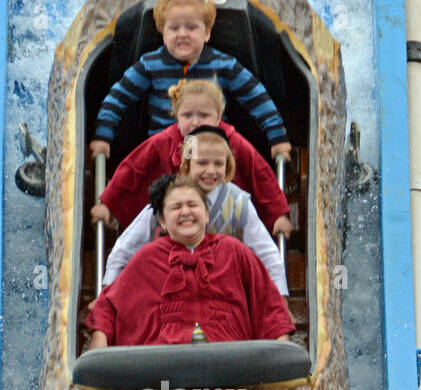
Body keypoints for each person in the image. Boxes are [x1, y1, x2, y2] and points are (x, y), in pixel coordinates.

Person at [89, 0, 292, 164]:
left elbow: (257, 98)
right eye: (174, 28)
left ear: (207, 32)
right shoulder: (150, 65)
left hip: (211, 156)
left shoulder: (223, 65)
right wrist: (103, 136)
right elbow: (117, 98)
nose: (182, 34)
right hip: (164, 158)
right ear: (163, 31)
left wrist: (277, 137)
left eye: (191, 27)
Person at [87, 176, 294, 349]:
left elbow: (270, 306)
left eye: (192, 205)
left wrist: (282, 350)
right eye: (176, 207)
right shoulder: (146, 258)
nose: (185, 211)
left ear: (206, 215)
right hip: (165, 364)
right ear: (162, 221)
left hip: (229, 362)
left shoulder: (234, 251)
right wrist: (99, 345)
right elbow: (108, 307)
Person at [91, 77, 292, 237]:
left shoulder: (232, 140)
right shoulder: (166, 140)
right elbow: (133, 169)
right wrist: (108, 205)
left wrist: (278, 214)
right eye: (187, 115)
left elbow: (261, 174)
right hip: (176, 226)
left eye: (203, 115)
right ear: (176, 115)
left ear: (218, 116)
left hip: (222, 227)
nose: (195, 122)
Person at [101, 125, 288, 294]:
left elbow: (266, 251)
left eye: (218, 164)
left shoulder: (238, 201)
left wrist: (280, 294)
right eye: (202, 163)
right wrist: (110, 284)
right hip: (172, 284)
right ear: (187, 164)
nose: (211, 171)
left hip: (222, 286)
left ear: (228, 165)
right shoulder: (168, 194)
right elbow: (129, 243)